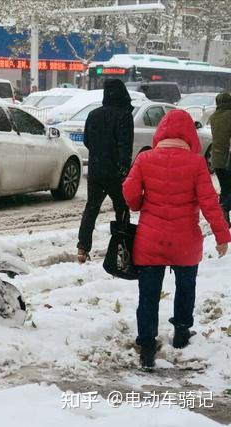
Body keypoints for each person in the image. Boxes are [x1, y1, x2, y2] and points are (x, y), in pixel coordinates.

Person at [122, 109, 230, 370]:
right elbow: (209, 203)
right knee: (186, 286)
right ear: (190, 136)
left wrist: (138, 204)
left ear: (161, 132)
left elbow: (129, 191)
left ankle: (147, 345)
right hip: (185, 241)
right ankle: (181, 332)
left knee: (148, 295)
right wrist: (221, 235)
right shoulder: (195, 163)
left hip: (150, 241)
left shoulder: (146, 158)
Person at [77, 79, 134, 263]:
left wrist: (99, 153)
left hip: (95, 170)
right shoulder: (124, 116)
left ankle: (82, 248)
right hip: (115, 173)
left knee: (91, 208)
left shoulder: (93, 115)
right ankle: (122, 247)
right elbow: (125, 146)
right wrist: (124, 170)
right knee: (122, 209)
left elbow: (87, 141)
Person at [209, 92, 231, 226]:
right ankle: (224, 208)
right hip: (229, 158)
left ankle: (222, 220)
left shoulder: (213, 117)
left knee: (225, 188)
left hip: (217, 158)